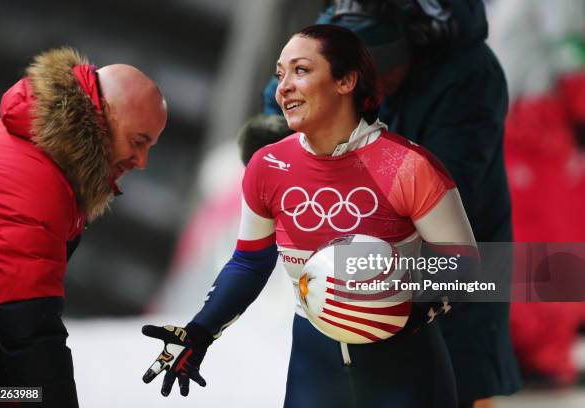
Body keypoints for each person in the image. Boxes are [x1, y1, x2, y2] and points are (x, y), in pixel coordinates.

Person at [143, 24, 477, 407]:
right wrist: (200, 331)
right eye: (279, 74)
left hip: (406, 373)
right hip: (315, 371)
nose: (283, 86)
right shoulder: (268, 166)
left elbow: (465, 265)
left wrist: (405, 309)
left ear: (346, 80)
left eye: (300, 70)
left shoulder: (409, 166)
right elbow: (250, 263)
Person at [261, 2, 521, 407]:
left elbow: (446, 193)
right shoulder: (324, 42)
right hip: (350, 276)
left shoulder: (470, 76)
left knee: (459, 378)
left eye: (381, 81)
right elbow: (277, 113)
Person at [0, 47, 167, 407]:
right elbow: (28, 332)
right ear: (104, 115)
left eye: (150, 148)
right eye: (138, 142)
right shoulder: (32, 182)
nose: (141, 162)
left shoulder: (40, 160)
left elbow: (8, 346)